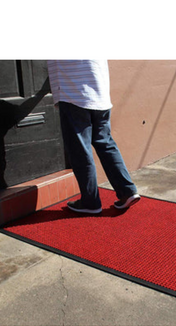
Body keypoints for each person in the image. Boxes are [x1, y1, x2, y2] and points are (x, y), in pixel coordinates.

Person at [47, 60, 140, 214]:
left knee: (80, 150)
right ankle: (127, 191)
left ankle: (90, 202)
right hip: (100, 96)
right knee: (105, 144)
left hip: (74, 95)